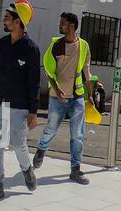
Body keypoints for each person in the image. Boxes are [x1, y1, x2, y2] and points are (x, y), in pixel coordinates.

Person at [0, 1, 41, 203]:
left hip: (19, 106)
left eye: (8, 18)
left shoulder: (31, 49)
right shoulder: (1, 44)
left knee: (18, 144)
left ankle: (27, 169)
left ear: (18, 21)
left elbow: (34, 82)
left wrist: (33, 111)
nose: (4, 20)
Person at [32, 12, 92, 185]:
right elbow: (48, 71)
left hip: (77, 97)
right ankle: (41, 151)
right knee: (50, 129)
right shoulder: (56, 45)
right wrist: (56, 90)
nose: (60, 26)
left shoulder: (84, 46)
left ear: (72, 26)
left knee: (78, 135)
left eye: (63, 23)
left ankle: (75, 170)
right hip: (57, 97)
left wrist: (90, 96)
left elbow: (86, 73)